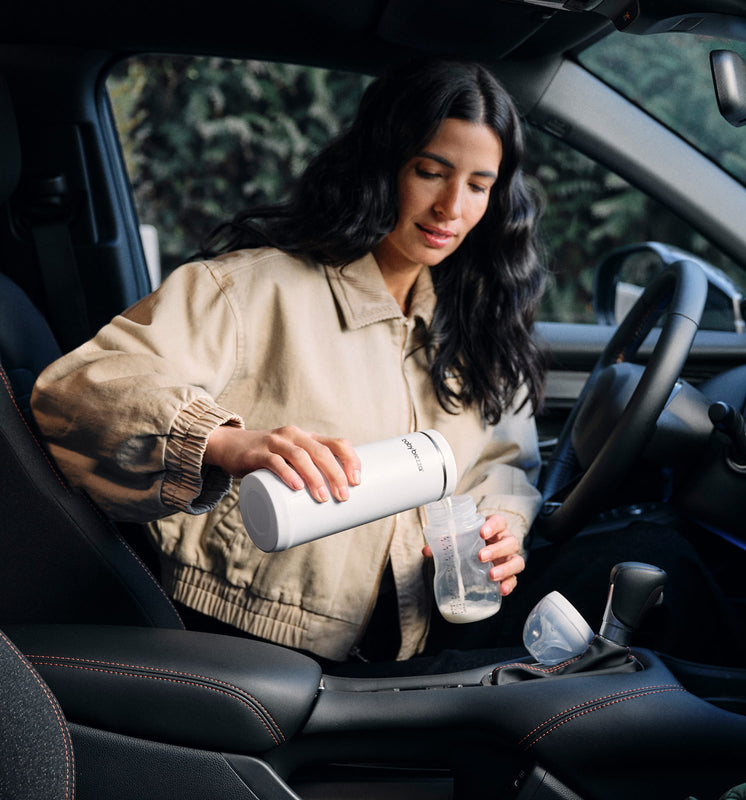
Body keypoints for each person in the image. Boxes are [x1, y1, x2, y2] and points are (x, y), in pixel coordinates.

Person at [30, 58, 548, 667]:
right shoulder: (250, 289)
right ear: (383, 167)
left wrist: (501, 527)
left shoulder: (480, 323)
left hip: (400, 650)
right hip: (240, 643)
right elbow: (75, 392)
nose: (451, 208)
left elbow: (506, 461)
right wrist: (223, 442)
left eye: (479, 186)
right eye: (430, 173)